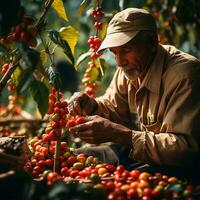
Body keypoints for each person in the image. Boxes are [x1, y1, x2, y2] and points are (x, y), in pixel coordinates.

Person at [67, 8, 200, 182]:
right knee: (77, 157)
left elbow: (185, 149)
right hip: (141, 154)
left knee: (123, 181)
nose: (119, 62)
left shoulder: (185, 75)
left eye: (126, 50)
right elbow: (113, 107)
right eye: (114, 52)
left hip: (180, 166)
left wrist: (123, 136)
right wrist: (92, 106)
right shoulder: (129, 69)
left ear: (152, 43)